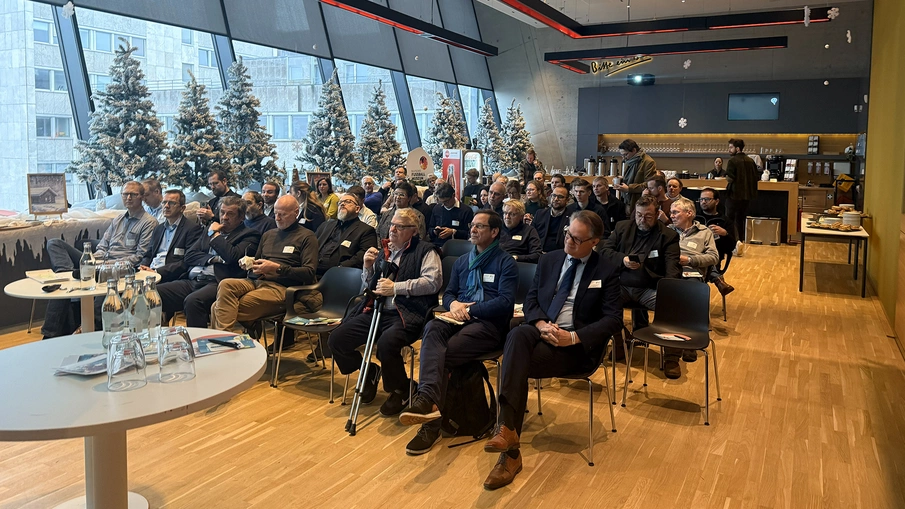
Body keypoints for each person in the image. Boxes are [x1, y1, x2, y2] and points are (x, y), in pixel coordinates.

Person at [483, 211, 621, 490]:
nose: (569, 241)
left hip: (575, 347)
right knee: (518, 334)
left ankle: (508, 449)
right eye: (568, 234)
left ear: (594, 242)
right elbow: (532, 299)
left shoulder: (605, 270)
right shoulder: (550, 259)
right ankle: (508, 433)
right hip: (542, 331)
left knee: (515, 360)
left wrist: (574, 337)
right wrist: (542, 323)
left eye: (577, 239)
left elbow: (613, 319)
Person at [398, 210, 519, 455]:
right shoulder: (463, 261)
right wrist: (453, 305)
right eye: (472, 225)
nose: (472, 230)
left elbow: (505, 302)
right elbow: (450, 293)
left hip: (488, 325)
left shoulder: (505, 262)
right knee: (432, 326)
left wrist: (471, 309)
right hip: (458, 317)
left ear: (494, 232)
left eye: (480, 227)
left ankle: (430, 418)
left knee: (444, 353)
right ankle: (427, 401)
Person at [327, 208, 442, 416]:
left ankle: (401, 389)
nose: (393, 230)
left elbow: (432, 283)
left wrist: (396, 287)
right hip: (376, 310)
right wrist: (368, 268)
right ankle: (369, 371)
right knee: (337, 339)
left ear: (413, 231)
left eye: (400, 227)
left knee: (386, 345)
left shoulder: (426, 251)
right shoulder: (384, 251)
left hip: (406, 313)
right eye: (391, 225)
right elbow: (369, 287)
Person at [42, 181, 158, 338]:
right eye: (125, 194)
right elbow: (102, 247)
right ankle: (68, 274)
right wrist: (91, 260)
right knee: (54, 243)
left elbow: (139, 256)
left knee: (83, 280)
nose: (128, 197)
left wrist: (104, 265)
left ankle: (52, 334)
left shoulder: (149, 222)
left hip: (122, 268)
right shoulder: (117, 220)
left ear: (142, 197)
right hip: (100, 263)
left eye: (133, 194)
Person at [599, 195, 681, 377]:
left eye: (648, 216)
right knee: (600, 301)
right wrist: (623, 260)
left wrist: (670, 292)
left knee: (671, 305)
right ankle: (620, 343)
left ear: (657, 214)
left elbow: (672, 270)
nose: (642, 220)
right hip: (622, 285)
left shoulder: (668, 236)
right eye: (638, 215)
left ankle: (671, 356)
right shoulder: (622, 228)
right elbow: (604, 251)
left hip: (650, 287)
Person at [212, 195, 318, 333]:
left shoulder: (307, 237)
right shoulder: (268, 235)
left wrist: (278, 269)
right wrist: (250, 265)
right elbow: (255, 263)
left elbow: (309, 272)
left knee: (219, 307)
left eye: (282, 214)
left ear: (296, 213)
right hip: (257, 282)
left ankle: (222, 342)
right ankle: (224, 340)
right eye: (275, 214)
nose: (277, 218)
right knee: (226, 284)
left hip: (283, 287)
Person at [157, 195, 261, 328]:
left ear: (241, 217)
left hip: (217, 283)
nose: (224, 217)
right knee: (153, 293)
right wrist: (214, 259)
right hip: (193, 280)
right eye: (222, 212)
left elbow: (231, 256)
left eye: (230, 214)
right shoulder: (209, 230)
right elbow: (189, 256)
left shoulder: (249, 235)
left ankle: (199, 344)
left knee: (193, 301)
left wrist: (215, 235)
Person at [668, 197, 719, 368]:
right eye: (671, 213)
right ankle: (673, 351)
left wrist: (690, 260)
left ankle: (687, 343)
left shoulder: (704, 232)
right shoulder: (667, 231)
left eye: (675, 212)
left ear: (689, 213)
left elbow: (714, 257)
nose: (672, 215)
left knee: (688, 293)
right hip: (670, 272)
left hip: (692, 272)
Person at [138, 189, 203, 284]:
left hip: (169, 276)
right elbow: (148, 254)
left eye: (172, 203)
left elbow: (186, 262)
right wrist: (143, 267)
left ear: (182, 208)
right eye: (164, 202)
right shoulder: (158, 228)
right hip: (149, 273)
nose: (166, 206)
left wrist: (157, 272)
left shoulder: (192, 229)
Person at [314, 193, 378, 278]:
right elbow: (312, 244)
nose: (342, 204)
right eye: (340, 202)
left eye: (348, 202)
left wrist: (340, 268)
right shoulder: (326, 225)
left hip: (339, 276)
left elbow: (362, 256)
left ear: (357, 209)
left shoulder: (366, 230)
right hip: (312, 270)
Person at [695, 188, 736, 296]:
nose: (703, 202)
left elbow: (732, 246)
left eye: (707, 199)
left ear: (717, 201)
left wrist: (725, 234)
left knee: (705, 260)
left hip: (714, 257)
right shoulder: (694, 218)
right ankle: (718, 280)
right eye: (701, 199)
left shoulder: (725, 221)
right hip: (693, 252)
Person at [725, 138, 759, 257]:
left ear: (737, 148)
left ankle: (732, 244)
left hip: (734, 195)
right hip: (747, 196)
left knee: (729, 220)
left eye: (731, 147)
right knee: (740, 219)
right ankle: (740, 242)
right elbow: (757, 177)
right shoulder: (751, 161)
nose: (729, 150)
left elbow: (730, 178)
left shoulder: (732, 161)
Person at [614, 139, 657, 211]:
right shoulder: (630, 161)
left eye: (626, 154)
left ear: (634, 150)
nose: (624, 158)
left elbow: (648, 185)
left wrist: (628, 189)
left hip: (638, 202)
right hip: (626, 200)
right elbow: (630, 178)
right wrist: (621, 179)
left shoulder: (648, 162)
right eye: (622, 155)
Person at [428, 182, 474, 248]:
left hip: (457, 246)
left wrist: (453, 232)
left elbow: (469, 234)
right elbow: (430, 228)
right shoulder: (437, 208)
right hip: (438, 244)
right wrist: (434, 231)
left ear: (453, 195)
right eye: (441, 202)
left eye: (446, 201)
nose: (444, 204)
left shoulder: (466, 211)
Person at [532, 186, 569, 253]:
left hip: (559, 254)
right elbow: (531, 235)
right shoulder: (540, 214)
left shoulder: (572, 217)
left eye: (560, 197)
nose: (556, 199)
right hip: (539, 252)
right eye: (553, 195)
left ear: (567, 200)